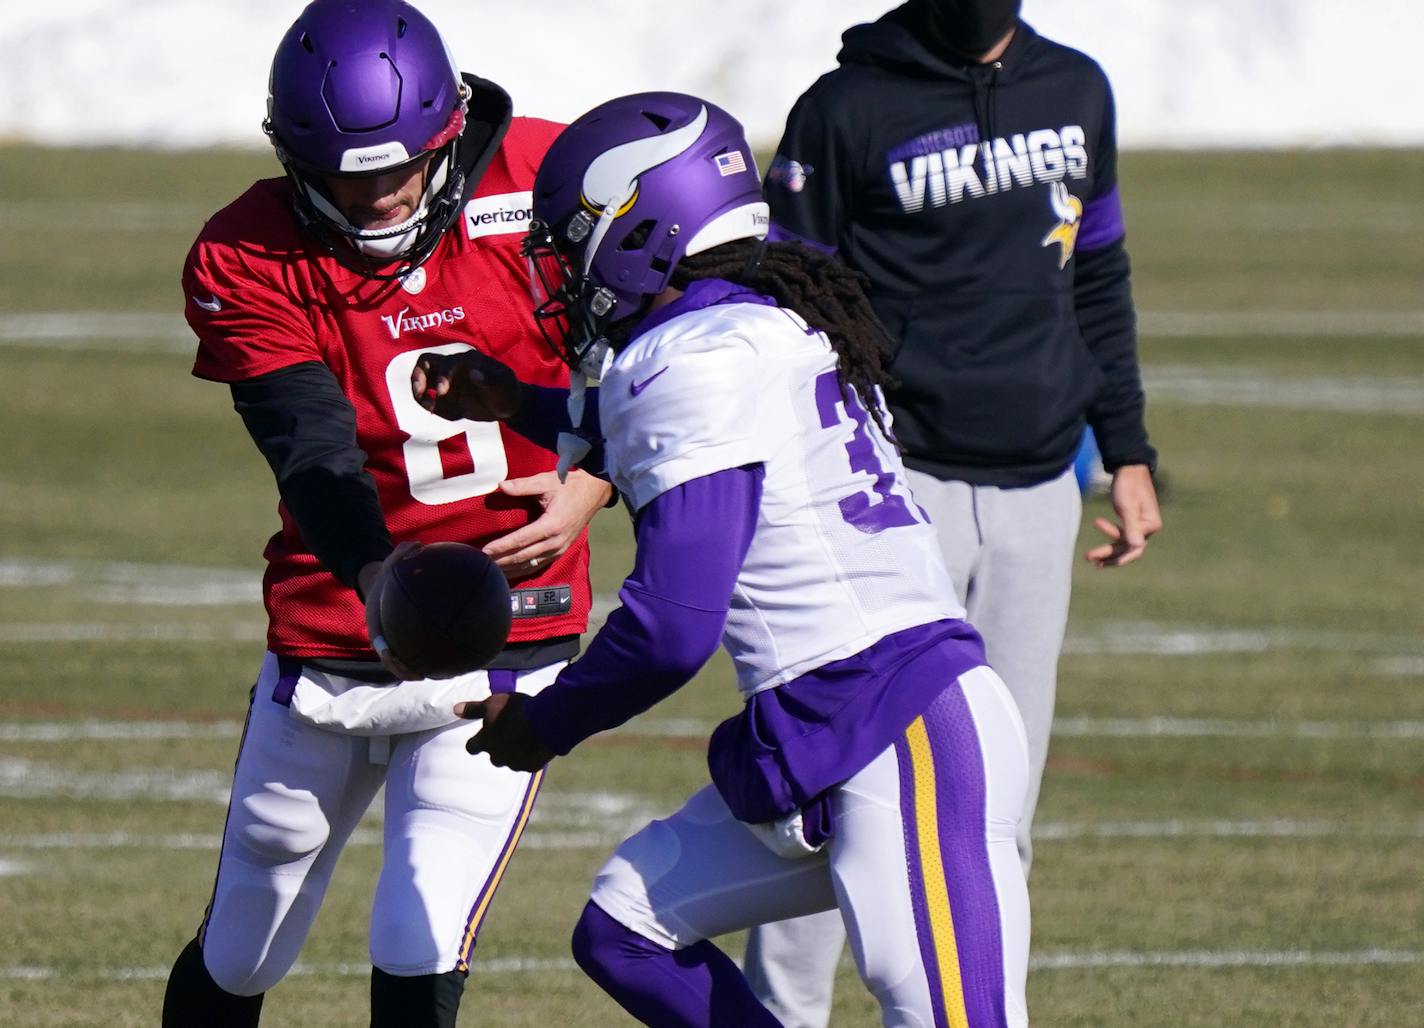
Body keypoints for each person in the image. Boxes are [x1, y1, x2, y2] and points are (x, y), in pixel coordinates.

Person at [416, 91, 1032, 1028]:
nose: (562, 270)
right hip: (823, 711)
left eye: (573, 237)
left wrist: (546, 722)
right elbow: (634, 431)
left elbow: (671, 628)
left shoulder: (694, 357)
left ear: (643, 227)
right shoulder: (753, 325)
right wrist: (512, 399)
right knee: (625, 926)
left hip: (897, 717)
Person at [160, 3, 610, 1026]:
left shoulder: (545, 179)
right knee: (242, 943)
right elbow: (308, 441)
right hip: (333, 622)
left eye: (399, 168)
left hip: (508, 626)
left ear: (449, 128)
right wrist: (377, 576)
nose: (379, 197)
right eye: (349, 177)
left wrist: (599, 477)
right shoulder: (247, 249)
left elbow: (675, 347)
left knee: (419, 931)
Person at [745, 1, 1164, 1023]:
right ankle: (777, 1012)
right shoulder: (845, 107)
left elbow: (1095, 274)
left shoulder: (1074, 87)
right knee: (839, 789)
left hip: (1036, 488)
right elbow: (782, 296)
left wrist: (1126, 450)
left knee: (996, 808)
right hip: (893, 491)